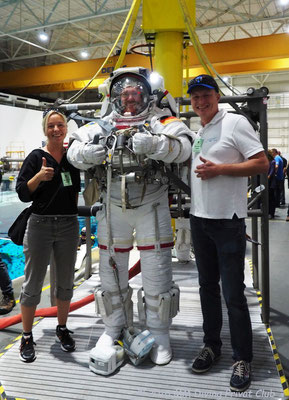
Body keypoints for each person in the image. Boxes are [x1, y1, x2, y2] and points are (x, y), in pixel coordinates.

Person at [67, 67, 193, 368]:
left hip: (152, 204)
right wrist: (89, 154)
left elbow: (186, 147)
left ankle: (160, 333)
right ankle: (113, 329)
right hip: (113, 207)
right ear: (114, 97)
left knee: (157, 274)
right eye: (124, 94)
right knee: (110, 276)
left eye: (135, 94)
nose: (130, 99)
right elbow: (73, 150)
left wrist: (156, 145)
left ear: (147, 96)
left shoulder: (161, 121)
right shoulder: (102, 124)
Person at [187, 74, 269, 392]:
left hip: (228, 222)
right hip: (200, 221)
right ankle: (211, 345)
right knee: (207, 288)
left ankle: (242, 358)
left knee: (233, 294)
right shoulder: (200, 132)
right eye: (195, 96)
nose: (200, 101)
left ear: (217, 96)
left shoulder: (234, 123)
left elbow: (261, 163)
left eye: (205, 95)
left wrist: (220, 169)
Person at [16, 109, 81, 363]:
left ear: (66, 128)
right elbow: (22, 192)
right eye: (51, 126)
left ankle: (62, 329)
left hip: (67, 225)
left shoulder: (72, 158)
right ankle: (27, 335)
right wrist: (39, 177)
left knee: (65, 282)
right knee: (32, 283)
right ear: (45, 130)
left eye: (60, 125)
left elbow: (75, 191)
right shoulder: (36, 157)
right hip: (40, 225)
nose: (56, 129)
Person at [267, 150, 276, 219]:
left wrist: (267, 177)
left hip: (271, 183)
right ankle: (269, 212)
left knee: (271, 198)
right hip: (268, 182)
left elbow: (272, 171)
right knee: (268, 198)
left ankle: (271, 213)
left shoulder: (272, 162)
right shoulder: (268, 162)